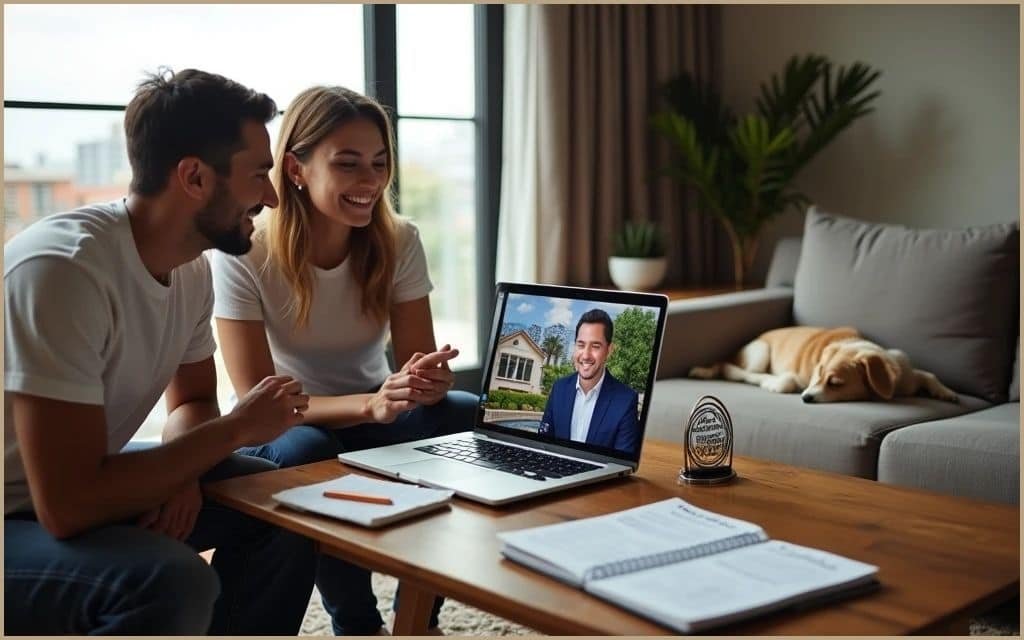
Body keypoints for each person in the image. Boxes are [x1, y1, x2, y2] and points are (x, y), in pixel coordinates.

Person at [4, 68, 318, 635]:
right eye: (258, 175)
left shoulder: (192, 268)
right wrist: (234, 430)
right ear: (195, 177)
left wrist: (181, 472)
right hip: (20, 511)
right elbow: (68, 505)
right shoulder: (63, 269)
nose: (272, 197)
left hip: (68, 486)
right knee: (167, 579)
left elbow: (192, 400)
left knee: (288, 506)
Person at [210, 85, 478, 635]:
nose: (370, 181)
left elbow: (414, 363)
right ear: (297, 168)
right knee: (310, 451)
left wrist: (426, 381)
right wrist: (372, 405)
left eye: (380, 164)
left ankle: (419, 614)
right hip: (281, 428)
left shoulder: (399, 239)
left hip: (370, 414)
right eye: (349, 164)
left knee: (462, 411)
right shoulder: (246, 251)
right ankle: (357, 623)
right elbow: (260, 398)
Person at [539, 309, 641, 454]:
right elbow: (542, 443)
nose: (586, 355)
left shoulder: (626, 400)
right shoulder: (559, 388)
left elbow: (622, 462)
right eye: (581, 345)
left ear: (609, 350)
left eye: (595, 346)